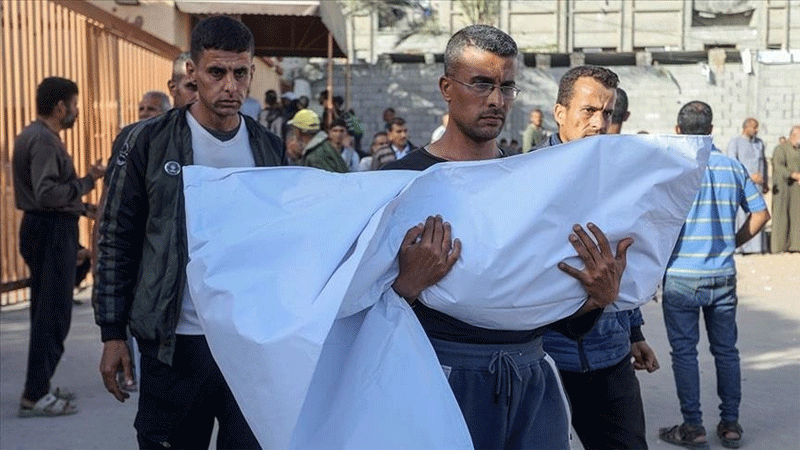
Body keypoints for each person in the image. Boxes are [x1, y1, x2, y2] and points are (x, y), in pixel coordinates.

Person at [382, 25, 632, 450]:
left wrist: (596, 298)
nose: (497, 100)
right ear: (446, 87)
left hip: (532, 384)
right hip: (437, 381)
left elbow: (551, 310)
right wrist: (406, 285)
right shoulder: (398, 182)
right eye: (481, 84)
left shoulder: (533, 179)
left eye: (506, 87)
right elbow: (356, 309)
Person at [94, 16, 285, 449]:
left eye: (240, 73)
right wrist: (112, 332)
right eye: (217, 72)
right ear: (192, 72)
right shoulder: (147, 141)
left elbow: (280, 244)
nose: (230, 86)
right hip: (174, 344)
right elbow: (117, 238)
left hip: (247, 344)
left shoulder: (268, 147)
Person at [540, 65, 658, 450]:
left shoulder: (619, 175)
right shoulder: (527, 178)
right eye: (588, 111)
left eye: (607, 113)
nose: (599, 123)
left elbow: (625, 259)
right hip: (546, 361)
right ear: (560, 113)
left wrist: (634, 332)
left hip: (611, 355)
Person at [659, 101, 770, 450]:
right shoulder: (732, 167)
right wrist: (731, 242)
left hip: (680, 276)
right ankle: (731, 425)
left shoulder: (670, 170)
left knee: (684, 353)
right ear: (711, 131)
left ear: (678, 131)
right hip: (722, 275)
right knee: (726, 351)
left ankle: (693, 427)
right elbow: (761, 214)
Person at [13, 76, 105, 417]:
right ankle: (35, 394)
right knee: (52, 316)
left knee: (47, 311)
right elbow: (48, 194)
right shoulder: (44, 140)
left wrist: (83, 209)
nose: (77, 111)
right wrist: (88, 181)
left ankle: (40, 384)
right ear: (60, 107)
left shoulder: (35, 135)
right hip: (50, 233)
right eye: (75, 105)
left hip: (48, 230)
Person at [726, 118, 768, 254]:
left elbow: (764, 163)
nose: (756, 130)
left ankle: (756, 248)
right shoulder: (735, 142)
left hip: (758, 186)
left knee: (758, 213)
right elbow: (732, 164)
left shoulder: (759, 143)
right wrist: (749, 177)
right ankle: (740, 248)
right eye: (754, 127)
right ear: (746, 127)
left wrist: (765, 182)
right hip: (742, 185)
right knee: (741, 216)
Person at [770, 125, 800, 253]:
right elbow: (778, 166)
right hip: (782, 187)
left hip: (796, 188)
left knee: (796, 215)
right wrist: (793, 175)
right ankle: (779, 246)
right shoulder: (780, 149)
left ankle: (795, 245)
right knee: (781, 216)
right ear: (793, 135)